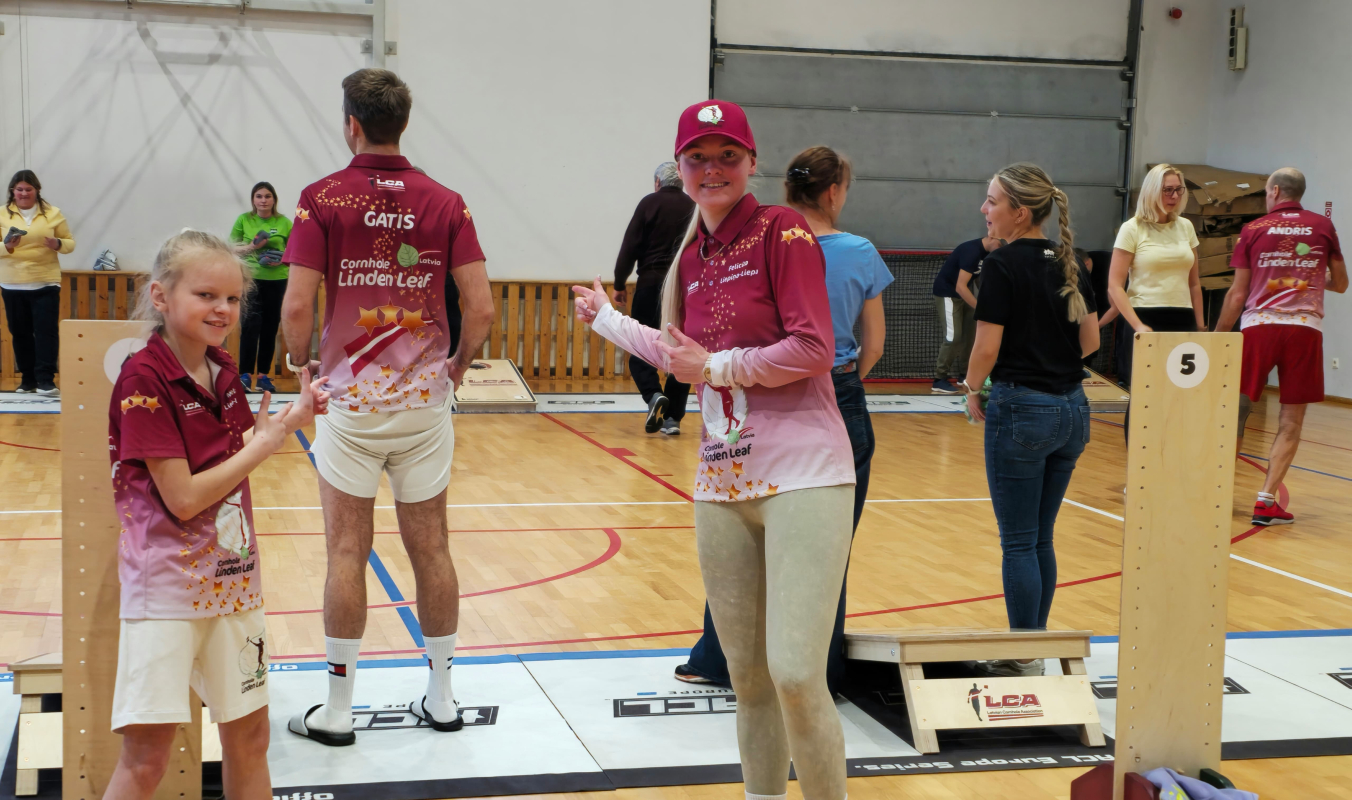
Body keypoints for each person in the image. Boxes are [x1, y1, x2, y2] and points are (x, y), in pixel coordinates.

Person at [574, 99, 856, 800]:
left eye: (726, 155)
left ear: (751, 162)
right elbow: (682, 357)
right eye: (697, 157)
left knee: (795, 673)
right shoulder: (689, 259)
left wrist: (721, 368)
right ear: (681, 168)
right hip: (722, 482)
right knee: (748, 679)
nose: (711, 169)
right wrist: (608, 321)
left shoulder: (782, 230)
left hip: (804, 476)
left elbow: (815, 347)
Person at [280, 68, 494, 745]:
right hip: (424, 404)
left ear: (351, 123)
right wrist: (457, 365)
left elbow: (295, 306)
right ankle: (442, 698)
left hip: (350, 404)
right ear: (404, 122)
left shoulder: (321, 199)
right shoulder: (447, 202)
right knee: (432, 548)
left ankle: (339, 712)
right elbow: (481, 307)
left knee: (347, 551)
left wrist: (299, 365)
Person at [105, 230, 328, 800]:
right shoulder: (143, 380)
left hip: (234, 585)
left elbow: (236, 452)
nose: (222, 310)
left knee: (251, 740)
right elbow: (182, 498)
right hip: (169, 596)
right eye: (206, 295)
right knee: (147, 757)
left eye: (231, 298)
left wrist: (292, 419)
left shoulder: (224, 369)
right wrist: (266, 444)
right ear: (160, 297)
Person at [676, 146, 891, 696]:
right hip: (826, 393)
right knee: (822, 556)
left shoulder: (750, 239)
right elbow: (873, 343)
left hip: (741, 395)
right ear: (834, 191)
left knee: (738, 540)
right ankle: (820, 676)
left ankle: (717, 657)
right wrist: (843, 382)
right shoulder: (856, 250)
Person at [962, 163, 1099, 676]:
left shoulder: (1000, 266)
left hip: (1022, 410)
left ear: (1019, 212)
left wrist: (972, 390)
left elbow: (986, 346)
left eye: (992, 200)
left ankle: (1022, 652)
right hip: (1073, 411)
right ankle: (1032, 643)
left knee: (1018, 541)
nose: (984, 209)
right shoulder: (1070, 263)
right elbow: (1091, 342)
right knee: (1040, 537)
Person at [1216, 167, 1347, 526]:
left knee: (1236, 413)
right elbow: (1342, 283)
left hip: (1259, 327)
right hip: (1304, 330)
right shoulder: (1323, 226)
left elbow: (1237, 293)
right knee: (1291, 420)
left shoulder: (1253, 229)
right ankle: (1266, 499)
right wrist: (1303, 277)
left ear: (1274, 191)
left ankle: (1215, 495)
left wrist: (1218, 335)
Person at [613, 162, 696, 434]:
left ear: (657, 182)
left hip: (650, 284)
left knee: (640, 345)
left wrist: (619, 282)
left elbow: (630, 245)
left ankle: (652, 395)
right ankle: (672, 418)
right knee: (680, 348)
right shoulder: (694, 206)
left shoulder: (649, 203)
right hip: (683, 288)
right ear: (682, 183)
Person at [1108, 163, 1206, 390]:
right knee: (1144, 394)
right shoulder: (1132, 228)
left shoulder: (1186, 227)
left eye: (1178, 190)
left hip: (1183, 317)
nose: (1174, 196)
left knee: (1181, 394)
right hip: (1144, 316)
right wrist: (1137, 325)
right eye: (1167, 190)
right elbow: (1115, 285)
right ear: (1152, 191)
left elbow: (1194, 283)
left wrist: (1200, 327)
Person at [0, 170, 75, 395]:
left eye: (28, 189)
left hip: (46, 281)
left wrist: (58, 244)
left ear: (37, 191)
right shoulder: (2, 214)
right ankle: (28, 380)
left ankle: (46, 380)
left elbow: (70, 243)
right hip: (12, 283)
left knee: (46, 332)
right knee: (20, 333)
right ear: (13, 191)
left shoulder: (53, 213)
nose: (24, 193)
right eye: (19, 189)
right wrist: (8, 246)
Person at [230, 181, 293, 393]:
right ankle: (245, 376)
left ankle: (264, 376)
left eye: (267, 196)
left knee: (270, 328)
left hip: (277, 280)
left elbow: (294, 251)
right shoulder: (244, 220)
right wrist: (252, 247)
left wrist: (281, 259)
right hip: (251, 280)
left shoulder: (284, 222)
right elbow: (231, 249)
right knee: (250, 326)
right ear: (253, 200)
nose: (263, 200)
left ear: (274, 199)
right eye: (259, 196)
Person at [931, 234, 999, 393]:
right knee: (953, 337)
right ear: (991, 237)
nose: (1000, 250)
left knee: (970, 335)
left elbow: (977, 277)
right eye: (999, 245)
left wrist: (987, 298)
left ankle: (965, 375)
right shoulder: (971, 251)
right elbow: (960, 286)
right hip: (948, 294)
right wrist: (980, 307)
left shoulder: (988, 253)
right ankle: (939, 379)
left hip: (964, 294)